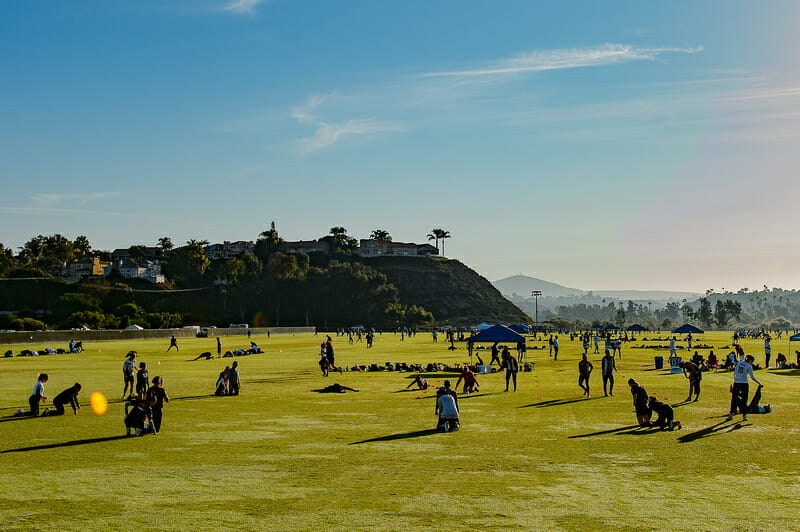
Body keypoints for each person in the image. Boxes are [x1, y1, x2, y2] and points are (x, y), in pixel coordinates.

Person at [727, 354, 761, 422]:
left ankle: (731, 414)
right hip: (744, 383)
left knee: (734, 399)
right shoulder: (749, 366)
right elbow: (752, 376)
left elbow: (735, 373)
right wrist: (758, 382)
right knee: (744, 400)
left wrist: (736, 380)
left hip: (736, 382)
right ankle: (744, 416)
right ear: (750, 360)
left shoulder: (739, 363)